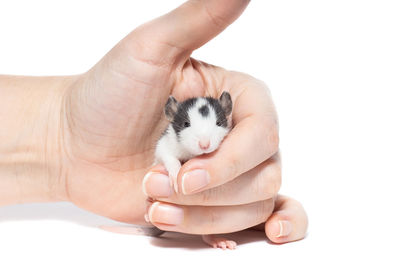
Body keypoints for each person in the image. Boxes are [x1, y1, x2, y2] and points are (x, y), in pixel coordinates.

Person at [0, 0, 307, 244]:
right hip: (162, 192)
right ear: (175, 121)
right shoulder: (171, 141)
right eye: (190, 128)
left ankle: (210, 230)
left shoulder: (218, 129)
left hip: (171, 205)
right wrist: (62, 136)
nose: (204, 140)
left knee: (211, 199)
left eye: (216, 127)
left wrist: (61, 139)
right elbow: (165, 150)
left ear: (226, 117)